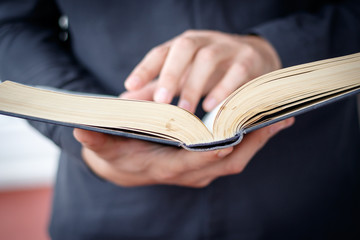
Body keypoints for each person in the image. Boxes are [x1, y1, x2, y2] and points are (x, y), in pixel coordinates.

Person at [0, 0, 359, 239]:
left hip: (313, 197)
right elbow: (9, 24)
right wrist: (85, 123)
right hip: (110, 210)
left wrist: (277, 47)